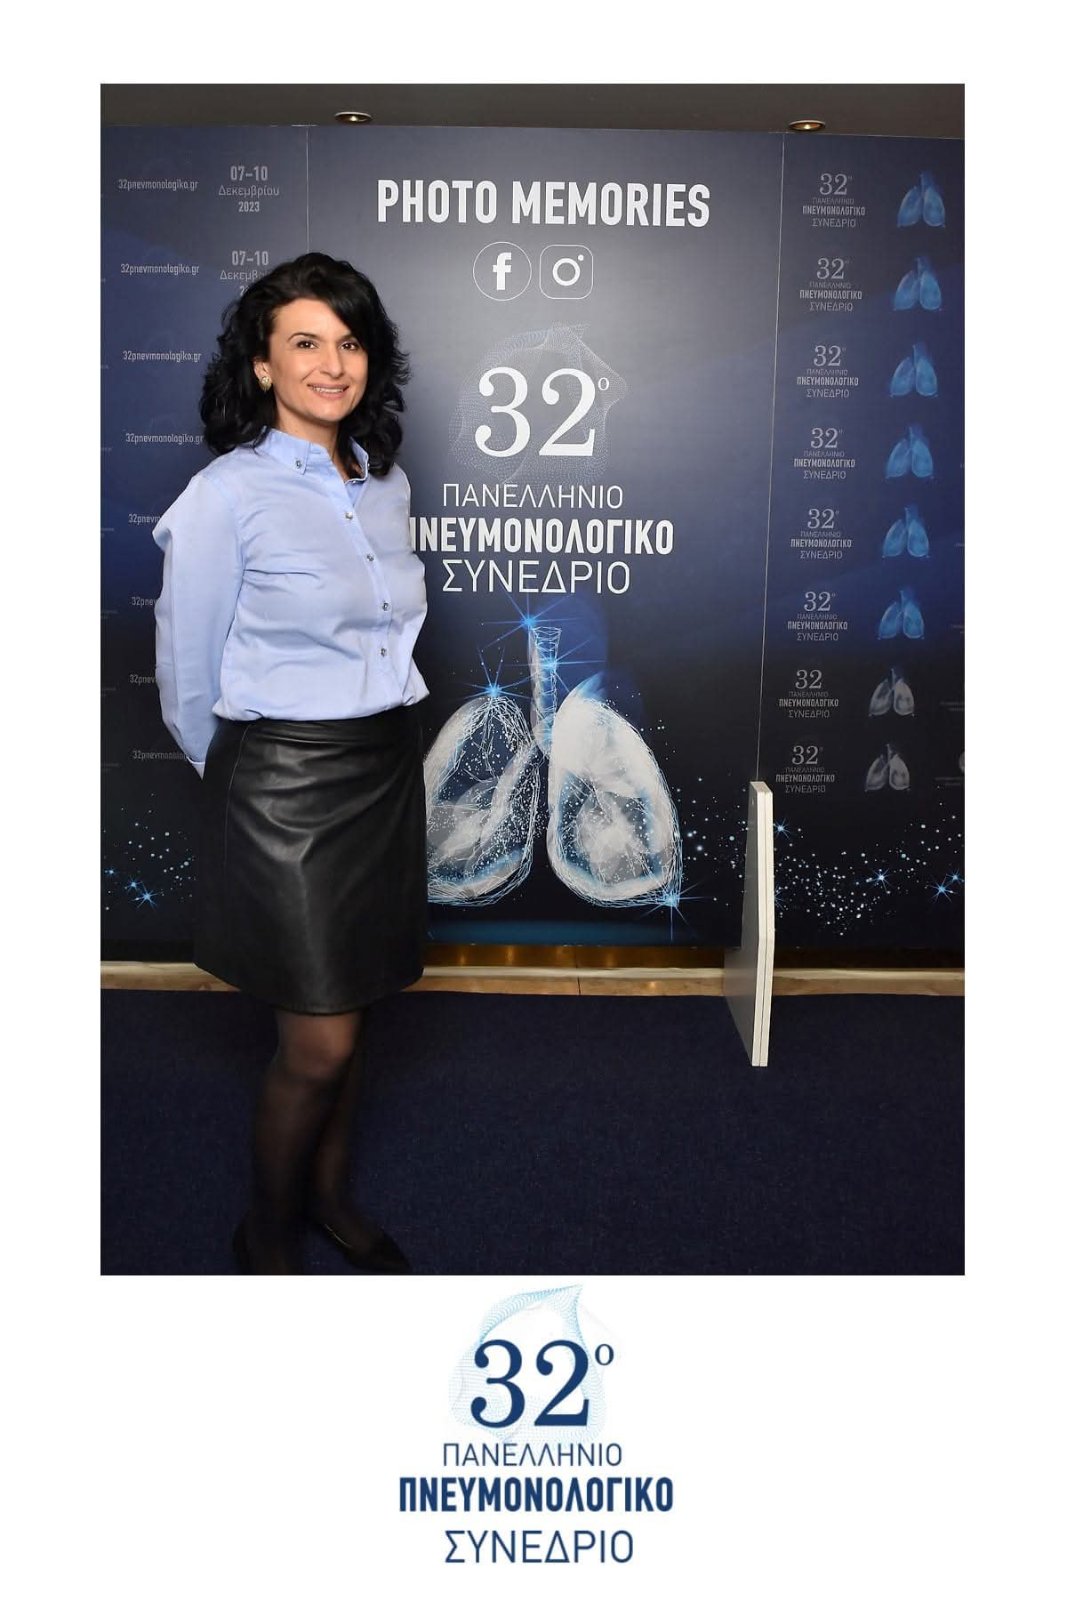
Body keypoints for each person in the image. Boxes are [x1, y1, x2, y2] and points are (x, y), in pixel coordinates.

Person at [152, 253, 429, 1274]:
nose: (331, 364)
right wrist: (244, 784)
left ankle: (330, 1195)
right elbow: (187, 672)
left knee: (358, 1006)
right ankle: (266, 1230)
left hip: (382, 769)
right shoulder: (226, 494)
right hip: (283, 788)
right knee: (317, 1041)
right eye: (304, 342)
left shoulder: (385, 482)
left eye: (348, 342)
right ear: (262, 365)